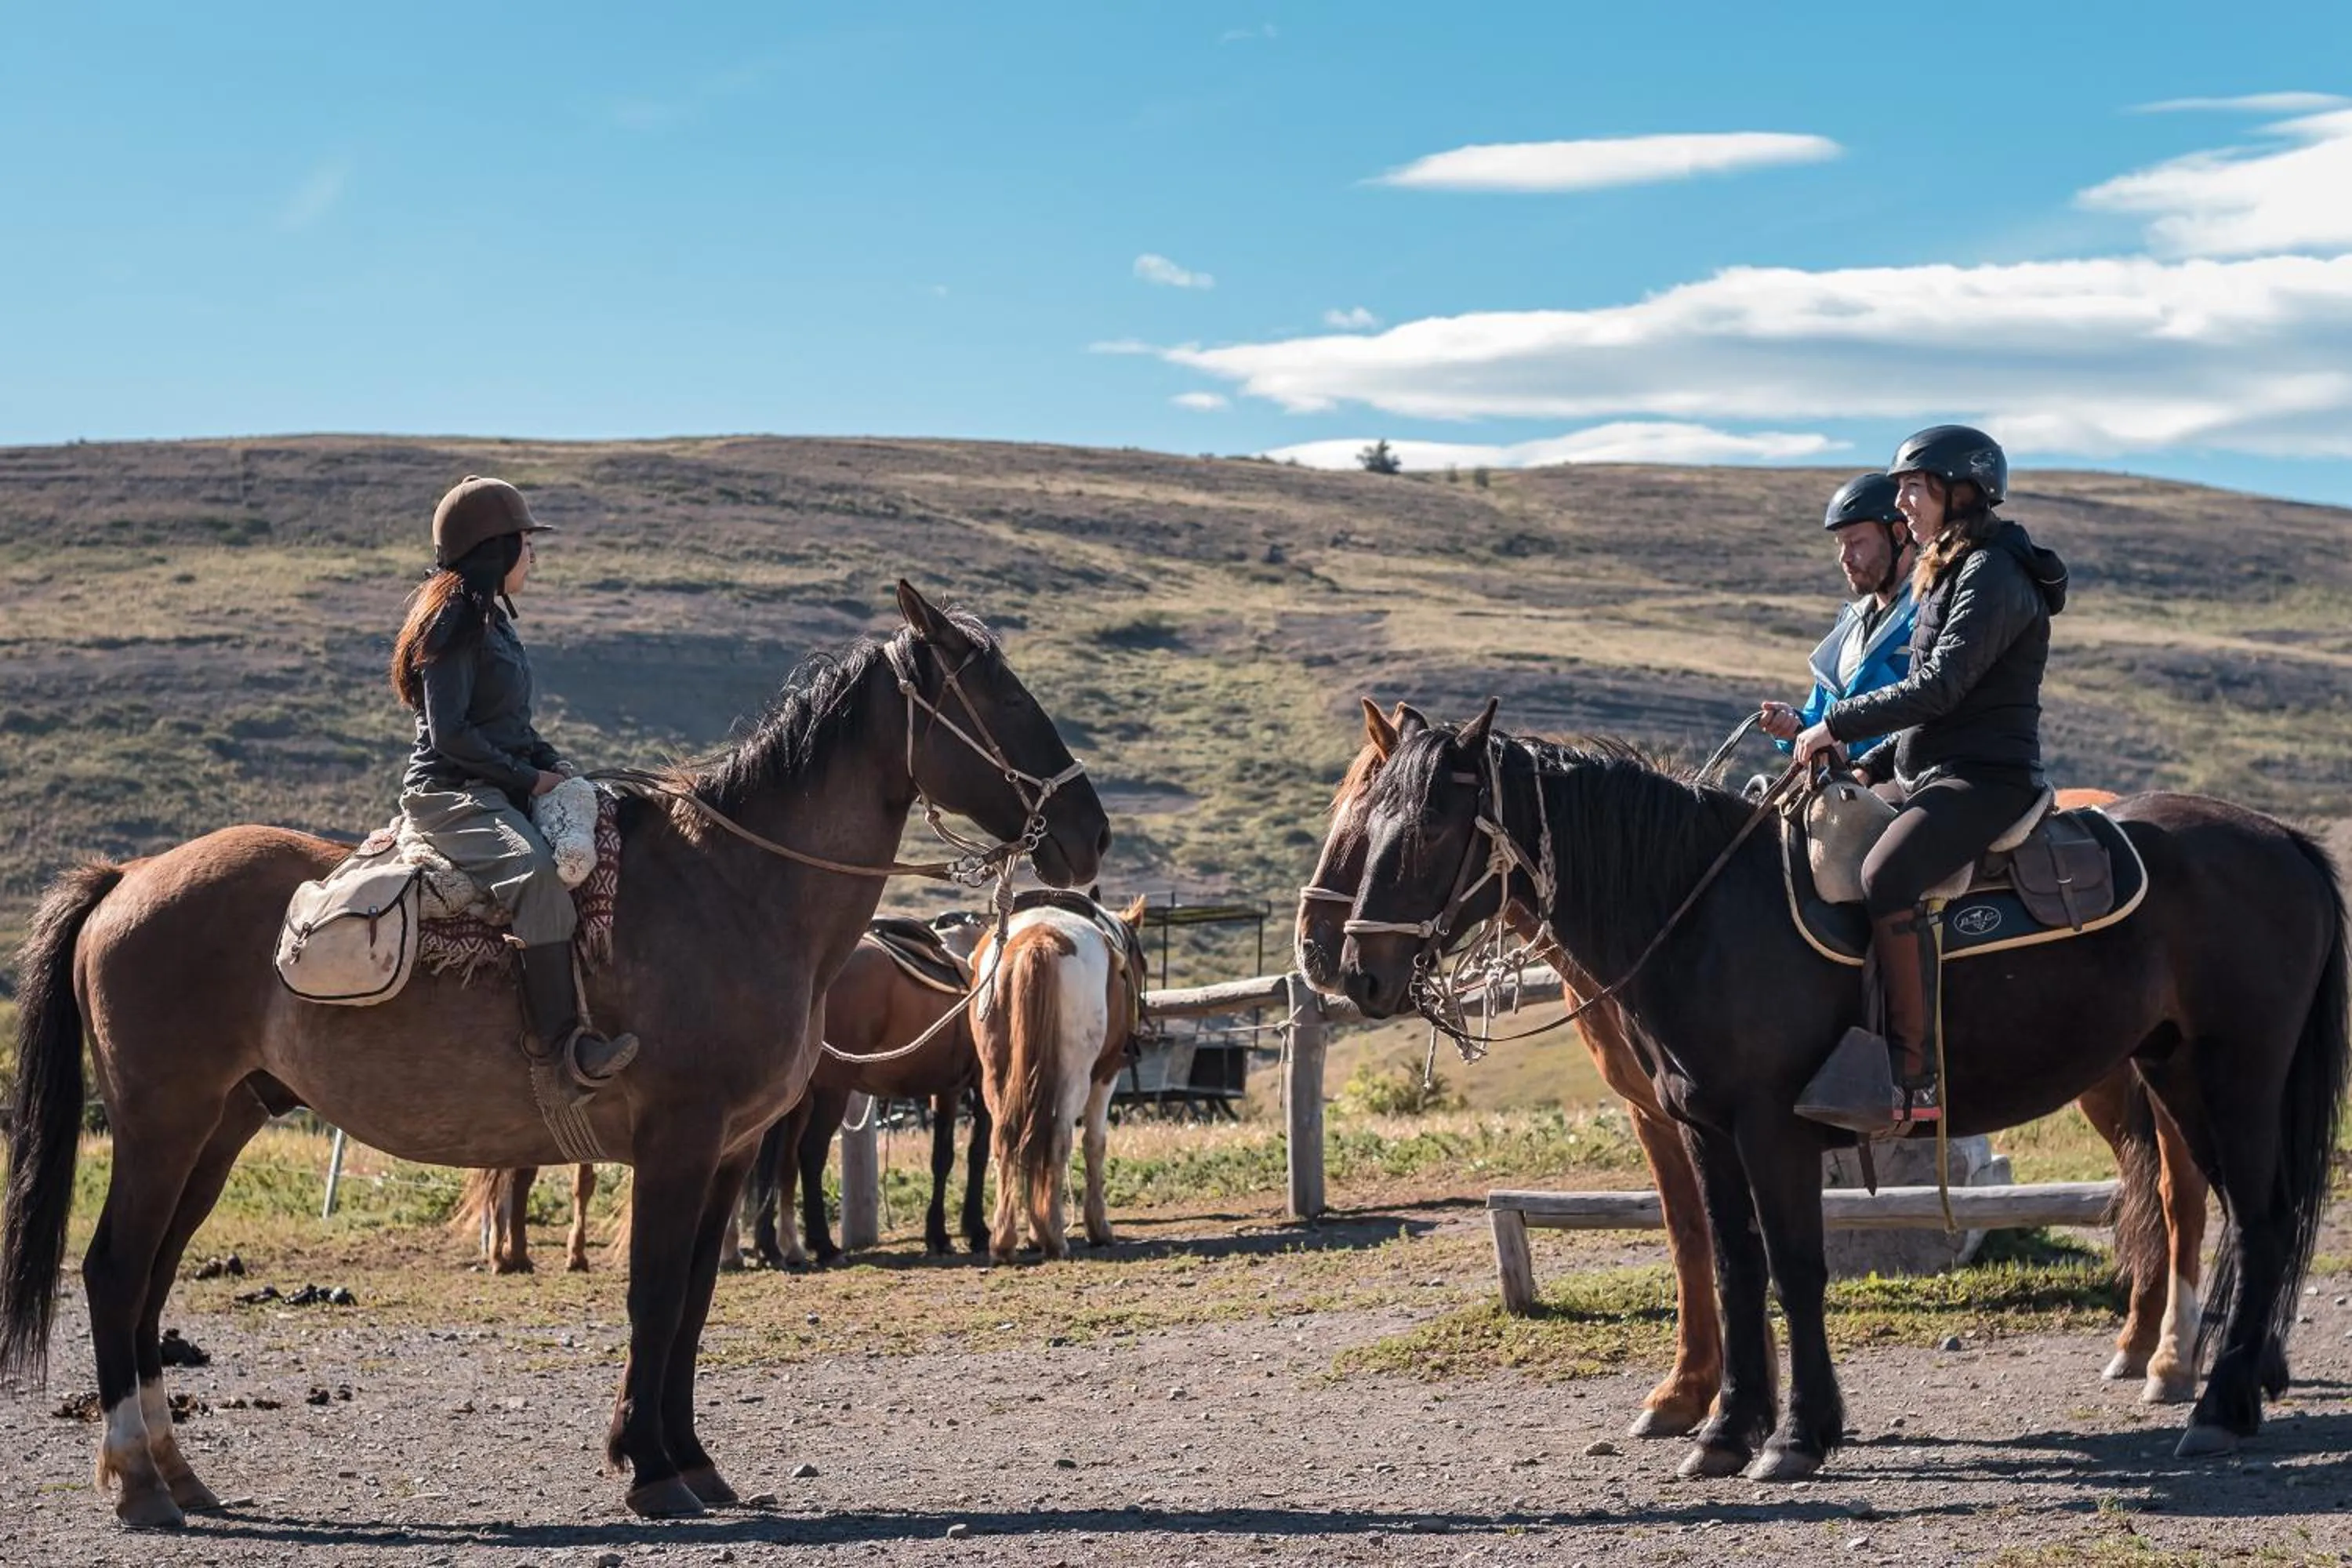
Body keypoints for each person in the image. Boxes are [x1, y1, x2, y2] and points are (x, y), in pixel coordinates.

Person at [1791, 427, 2067, 1126]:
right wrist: (1859, 765)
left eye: (1915, 487)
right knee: (1821, 839)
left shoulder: (1992, 574)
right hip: (1932, 770)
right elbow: (1927, 707)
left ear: (1960, 491)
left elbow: (1939, 688)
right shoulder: (1948, 568)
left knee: (1886, 875)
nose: (1903, 501)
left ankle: (1913, 1078)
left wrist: (1836, 723)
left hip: (1986, 779)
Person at [389, 476, 637, 1100]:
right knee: (535, 875)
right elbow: (450, 735)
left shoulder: (491, 620)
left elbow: (509, 728)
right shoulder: (452, 619)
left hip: (495, 787)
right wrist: (531, 777)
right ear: (495, 548)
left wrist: (555, 765)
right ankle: (560, 1054)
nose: (535, 555)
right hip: (451, 795)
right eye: (527, 543)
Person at [1758, 474, 1918, 764]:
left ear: (1898, 534)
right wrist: (1794, 724)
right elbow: (1821, 715)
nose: (1845, 557)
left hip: (1906, 779)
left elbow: (1930, 710)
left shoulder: (1930, 612)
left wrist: (1853, 749)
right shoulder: (1851, 624)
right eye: (1840, 544)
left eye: (1856, 542)